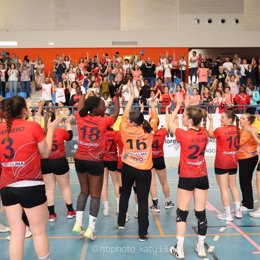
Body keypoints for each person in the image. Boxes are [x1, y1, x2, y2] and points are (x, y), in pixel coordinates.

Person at [0, 96, 59, 260]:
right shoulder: (32, 127)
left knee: (17, 232)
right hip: (30, 185)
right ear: (24, 110)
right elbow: (45, 153)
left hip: (7, 186)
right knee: (38, 231)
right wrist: (51, 129)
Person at [72, 91, 119, 240]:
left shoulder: (81, 117)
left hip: (79, 159)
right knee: (95, 195)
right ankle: (91, 229)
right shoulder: (104, 121)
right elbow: (116, 114)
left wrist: (83, 95)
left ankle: (78, 223)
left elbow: (80, 106)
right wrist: (116, 97)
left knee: (83, 192)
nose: (105, 108)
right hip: (95, 161)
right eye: (102, 106)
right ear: (95, 109)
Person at [168, 102, 209, 259]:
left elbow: (170, 122)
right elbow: (202, 124)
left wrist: (177, 105)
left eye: (184, 116)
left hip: (187, 178)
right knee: (201, 213)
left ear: (190, 120)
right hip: (202, 177)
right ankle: (201, 248)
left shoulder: (183, 135)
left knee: (181, 214)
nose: (182, 118)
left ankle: (180, 249)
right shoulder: (204, 133)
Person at [117, 84, 153, 241]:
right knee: (143, 200)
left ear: (132, 122)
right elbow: (155, 119)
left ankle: (121, 223)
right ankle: (142, 233)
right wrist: (152, 106)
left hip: (128, 167)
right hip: (144, 169)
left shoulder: (124, 128)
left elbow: (124, 115)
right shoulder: (148, 131)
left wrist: (131, 97)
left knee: (124, 193)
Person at [41, 112, 75, 222]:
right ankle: (70, 211)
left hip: (45, 162)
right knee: (65, 187)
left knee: (49, 189)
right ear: (55, 120)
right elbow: (69, 136)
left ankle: (51, 214)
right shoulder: (60, 131)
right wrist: (68, 123)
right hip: (59, 161)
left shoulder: (41, 132)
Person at [208, 110, 242, 221]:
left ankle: (227, 213)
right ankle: (238, 211)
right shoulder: (238, 129)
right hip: (233, 161)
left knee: (223, 188)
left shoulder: (220, 130)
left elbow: (210, 134)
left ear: (229, 119)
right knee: (233, 186)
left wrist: (211, 121)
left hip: (222, 162)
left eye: (222, 117)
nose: (221, 119)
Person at [147, 102, 174, 212]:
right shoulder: (162, 132)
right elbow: (169, 122)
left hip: (150, 159)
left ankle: (156, 205)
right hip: (160, 159)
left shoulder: (146, 134)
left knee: (152, 182)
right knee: (164, 182)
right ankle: (168, 202)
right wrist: (167, 110)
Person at [237, 114, 258, 212]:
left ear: (248, 121)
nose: (240, 119)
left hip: (248, 158)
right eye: (240, 118)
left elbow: (238, 143)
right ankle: (246, 201)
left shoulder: (248, 130)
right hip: (246, 157)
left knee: (245, 181)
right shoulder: (245, 129)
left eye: (243, 118)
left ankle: (248, 204)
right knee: (245, 181)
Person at [101, 127, 120, 216]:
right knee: (116, 183)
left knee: (104, 184)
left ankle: (106, 208)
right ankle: (118, 206)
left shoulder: (101, 133)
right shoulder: (115, 133)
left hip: (103, 159)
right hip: (113, 159)